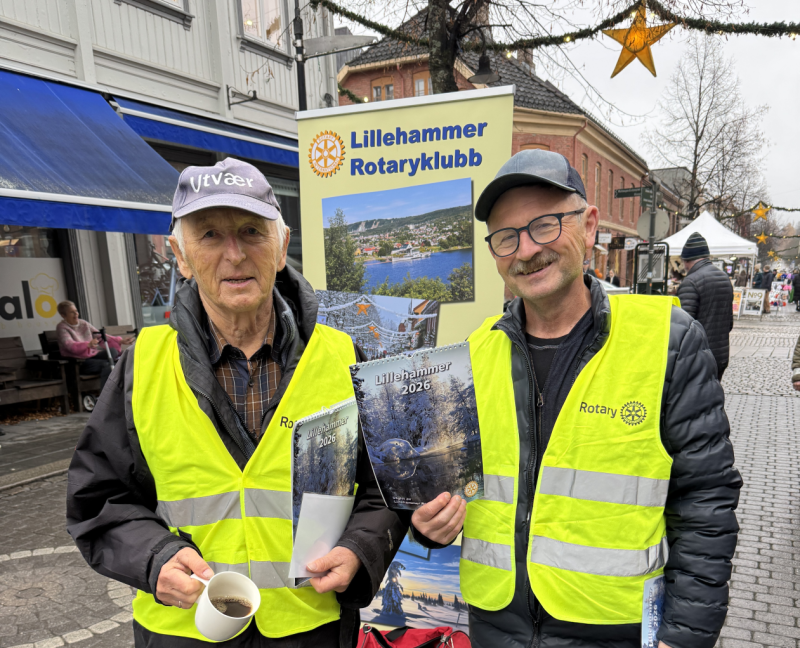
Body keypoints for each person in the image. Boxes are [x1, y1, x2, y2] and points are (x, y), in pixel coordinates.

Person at [66, 159, 410, 648]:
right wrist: (154, 557)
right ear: (180, 256)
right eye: (209, 235)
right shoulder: (141, 365)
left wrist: (359, 547)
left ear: (281, 246)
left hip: (308, 628)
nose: (234, 255)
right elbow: (100, 499)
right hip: (185, 633)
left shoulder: (342, 356)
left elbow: (387, 486)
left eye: (251, 231)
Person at [412, 149, 741, 648]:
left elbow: (706, 501)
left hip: (614, 629)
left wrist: (685, 637)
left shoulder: (668, 341)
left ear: (588, 227)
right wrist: (426, 524)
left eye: (544, 225)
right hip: (498, 627)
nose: (525, 250)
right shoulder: (473, 355)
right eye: (506, 237)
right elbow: (450, 484)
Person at [675, 233, 734, 380]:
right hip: (720, 354)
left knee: (696, 400)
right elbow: (729, 323)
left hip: (698, 357)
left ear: (687, 260)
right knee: (713, 397)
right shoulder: (724, 278)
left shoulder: (691, 282)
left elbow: (682, 327)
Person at [56, 301, 134, 392]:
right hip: (79, 362)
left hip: (92, 356)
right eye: (72, 312)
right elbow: (69, 345)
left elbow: (100, 336)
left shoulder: (83, 323)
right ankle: (106, 395)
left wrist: (120, 340)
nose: (76, 314)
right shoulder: (62, 328)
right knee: (109, 366)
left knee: (113, 351)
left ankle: (123, 388)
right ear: (63, 315)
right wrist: (88, 344)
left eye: (76, 311)